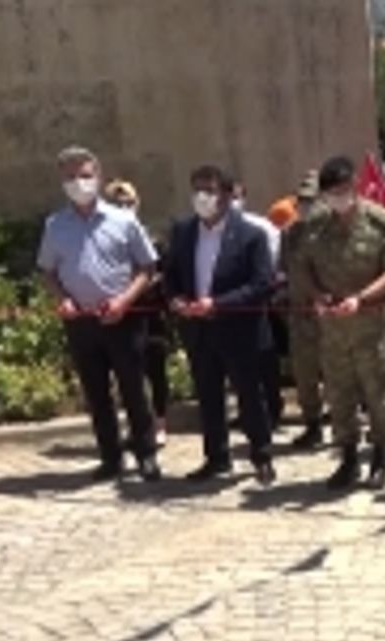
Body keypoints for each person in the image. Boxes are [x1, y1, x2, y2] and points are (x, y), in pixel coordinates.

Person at [38, 146, 161, 483]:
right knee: (96, 394)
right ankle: (110, 457)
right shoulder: (55, 225)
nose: (78, 182)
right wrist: (62, 300)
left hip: (123, 318)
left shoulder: (124, 220)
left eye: (85, 175)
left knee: (133, 388)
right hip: (81, 322)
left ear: (98, 176)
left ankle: (146, 453)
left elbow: (147, 268)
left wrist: (124, 301)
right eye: (70, 177)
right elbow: (47, 272)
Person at [297, 156, 385, 490]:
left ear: (355, 185)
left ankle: (379, 458)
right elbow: (302, 269)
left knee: (377, 396)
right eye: (331, 192)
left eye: (343, 190)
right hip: (332, 332)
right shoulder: (315, 225)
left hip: (370, 328)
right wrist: (316, 296)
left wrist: (360, 298)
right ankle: (348, 459)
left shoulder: (380, 221)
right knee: (339, 396)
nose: (338, 197)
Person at [165, 165, 276, 484]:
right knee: (208, 395)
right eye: (197, 189)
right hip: (199, 330)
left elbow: (262, 284)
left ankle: (261, 455)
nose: (202, 197)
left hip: (239, 330)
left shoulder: (251, 235)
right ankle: (216, 457)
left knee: (249, 395)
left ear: (227, 195)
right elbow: (171, 276)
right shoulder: (183, 232)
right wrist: (176, 300)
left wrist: (218, 304)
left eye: (209, 190)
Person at [102, 179, 171, 448]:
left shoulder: (153, 240)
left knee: (156, 371)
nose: (124, 207)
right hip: (121, 316)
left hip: (151, 316)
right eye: (117, 203)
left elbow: (164, 274)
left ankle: (160, 422)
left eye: (129, 202)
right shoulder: (107, 242)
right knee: (128, 375)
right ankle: (138, 426)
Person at [230, 178, 284, 428]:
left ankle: (272, 409)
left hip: (262, 302)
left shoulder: (261, 227)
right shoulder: (212, 230)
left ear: (244, 198)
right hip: (229, 305)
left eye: (236, 196)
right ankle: (248, 411)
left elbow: (274, 263)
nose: (232, 202)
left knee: (265, 359)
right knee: (238, 363)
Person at [280, 171, 327, 449]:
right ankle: (313, 424)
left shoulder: (334, 233)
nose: (306, 206)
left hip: (330, 313)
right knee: (304, 373)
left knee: (339, 373)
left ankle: (346, 425)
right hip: (300, 314)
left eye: (311, 200)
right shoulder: (290, 234)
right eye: (302, 201)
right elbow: (284, 269)